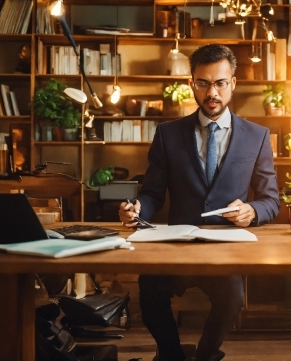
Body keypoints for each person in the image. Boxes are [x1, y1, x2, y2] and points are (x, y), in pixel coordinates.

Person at [118, 44, 280, 361]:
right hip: (177, 247)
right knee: (149, 291)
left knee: (233, 298)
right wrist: (137, 210)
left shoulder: (257, 136)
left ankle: (206, 354)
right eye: (203, 83)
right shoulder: (167, 134)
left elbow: (270, 200)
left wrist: (252, 211)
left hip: (226, 249)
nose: (212, 92)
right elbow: (151, 193)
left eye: (220, 83)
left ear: (233, 83)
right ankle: (171, 354)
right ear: (192, 83)